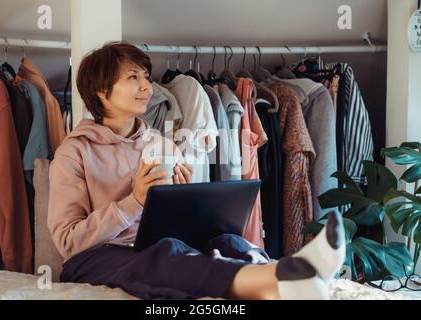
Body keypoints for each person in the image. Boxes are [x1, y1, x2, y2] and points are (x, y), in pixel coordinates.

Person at [48, 41, 346, 300]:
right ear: (101, 91)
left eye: (146, 77)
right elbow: (68, 242)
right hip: (95, 257)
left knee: (229, 242)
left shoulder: (160, 143)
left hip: (153, 244)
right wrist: (133, 202)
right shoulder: (74, 152)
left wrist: (185, 197)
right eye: (133, 77)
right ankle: (282, 280)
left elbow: (176, 226)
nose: (146, 87)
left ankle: (283, 275)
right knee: (165, 254)